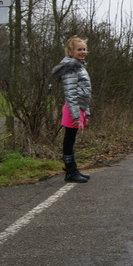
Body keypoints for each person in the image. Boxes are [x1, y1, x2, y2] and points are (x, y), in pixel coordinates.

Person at [52, 36, 92, 184]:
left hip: (78, 109)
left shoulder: (78, 66)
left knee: (71, 140)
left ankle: (73, 170)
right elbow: (71, 93)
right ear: (70, 51)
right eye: (79, 49)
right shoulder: (70, 67)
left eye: (84, 49)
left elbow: (84, 93)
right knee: (69, 140)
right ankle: (70, 171)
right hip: (72, 109)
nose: (83, 52)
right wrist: (76, 116)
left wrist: (86, 113)